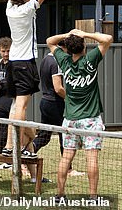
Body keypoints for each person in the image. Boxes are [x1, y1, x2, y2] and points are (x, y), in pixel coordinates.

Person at [46, 29, 113, 198]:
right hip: (90, 119)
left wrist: (66, 35)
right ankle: (92, 197)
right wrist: (86, 34)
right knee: (91, 158)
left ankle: (60, 195)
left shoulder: (64, 61)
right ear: (84, 47)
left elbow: (49, 41)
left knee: (66, 157)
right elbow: (107, 39)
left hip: (70, 120)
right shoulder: (90, 59)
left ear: (67, 49)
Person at [2, 0, 51, 158]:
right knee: (21, 107)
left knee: (15, 106)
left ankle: (9, 145)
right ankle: (16, 145)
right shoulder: (27, 9)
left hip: (13, 63)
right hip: (25, 62)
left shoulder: (10, 9)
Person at [32, 41, 84, 177]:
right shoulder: (56, 62)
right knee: (65, 134)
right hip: (55, 104)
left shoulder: (45, 59)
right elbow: (58, 88)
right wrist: (70, 99)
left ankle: (25, 157)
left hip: (45, 102)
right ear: (64, 48)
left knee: (44, 136)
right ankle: (68, 169)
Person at [0, 82, 46, 183]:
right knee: (28, 136)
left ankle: (33, 175)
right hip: (1, 147)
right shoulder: (12, 103)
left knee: (25, 133)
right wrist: (33, 136)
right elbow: (22, 125)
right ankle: (34, 177)